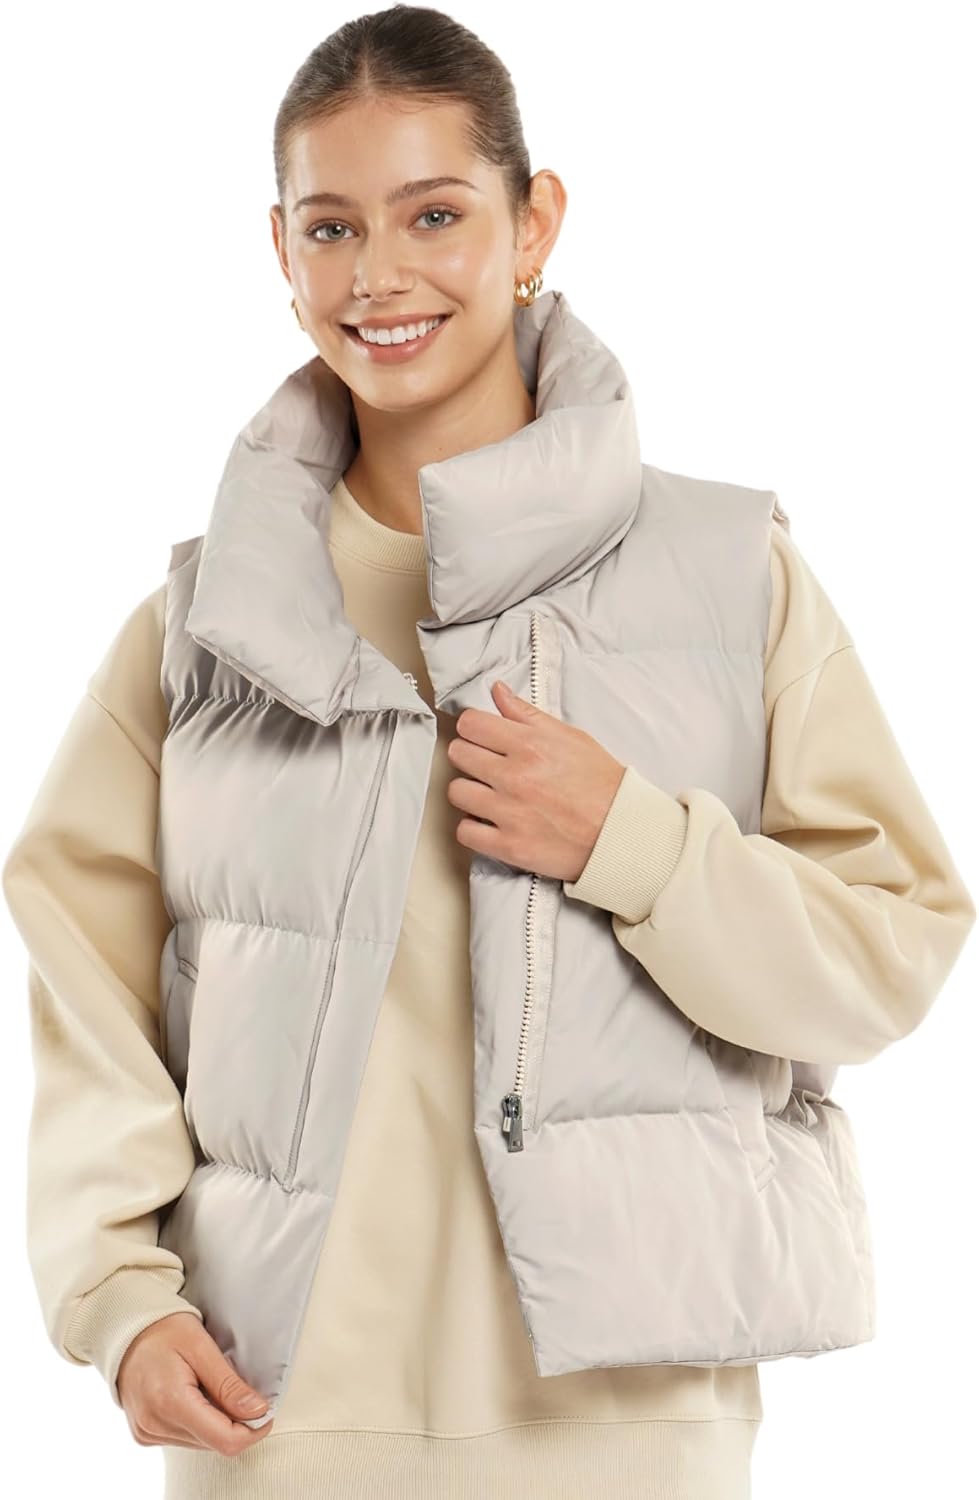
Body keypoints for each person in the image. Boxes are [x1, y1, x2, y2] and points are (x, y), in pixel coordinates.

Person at [2, 6, 975, 1499]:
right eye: (331, 227)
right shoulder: (203, 626)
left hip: (626, 1434)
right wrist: (118, 1295)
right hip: (274, 1429)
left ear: (536, 224)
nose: (377, 276)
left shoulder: (732, 577)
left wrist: (635, 846)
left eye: (435, 214)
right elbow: (84, 984)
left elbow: (891, 951)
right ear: (280, 254)